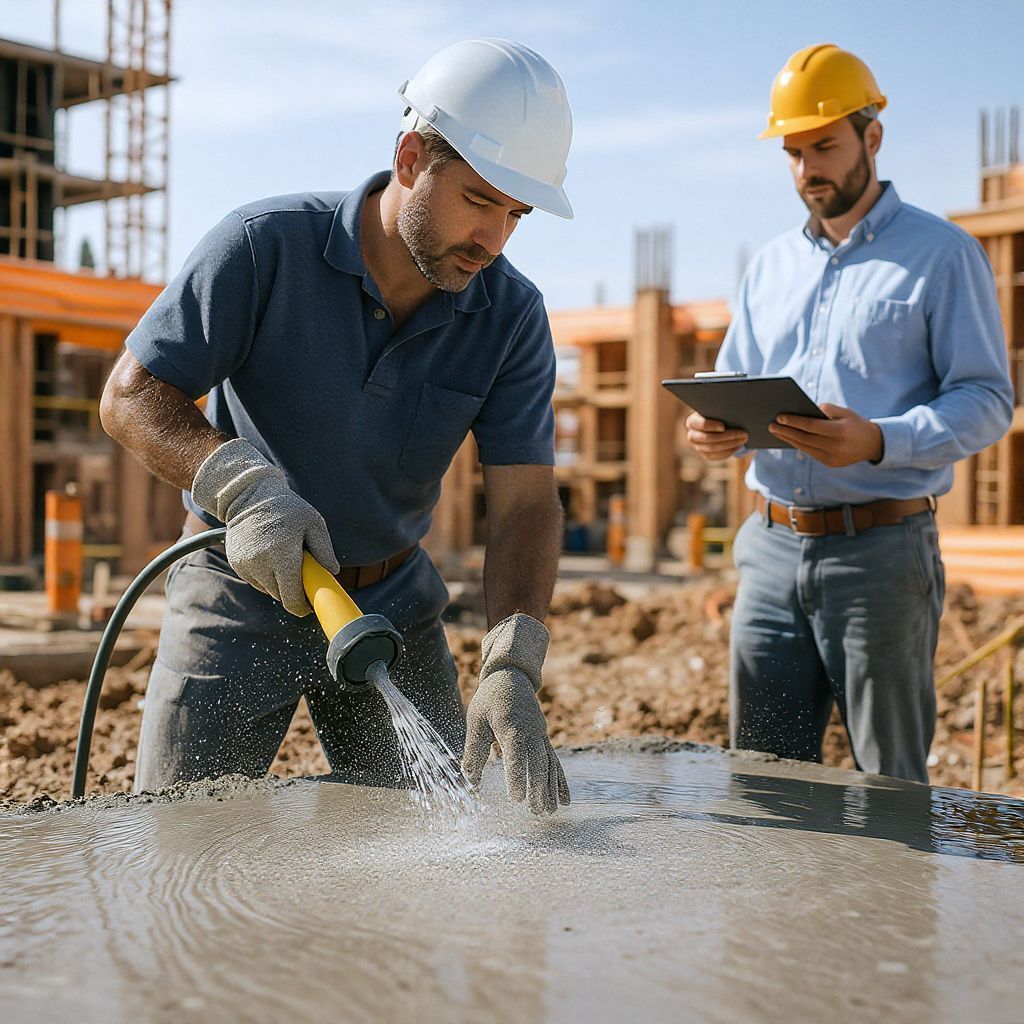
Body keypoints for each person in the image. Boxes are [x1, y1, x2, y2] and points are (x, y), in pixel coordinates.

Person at [100, 38, 573, 814]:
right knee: (184, 850)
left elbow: (525, 505)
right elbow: (129, 395)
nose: (494, 240)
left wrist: (513, 660)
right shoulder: (263, 248)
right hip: (238, 592)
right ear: (413, 157)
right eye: (481, 201)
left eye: (516, 213)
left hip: (394, 605)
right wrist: (244, 489)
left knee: (430, 862)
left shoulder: (511, 317)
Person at [685, 43, 1014, 783]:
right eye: (794, 153)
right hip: (768, 551)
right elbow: (735, 380)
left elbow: (989, 400)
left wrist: (878, 441)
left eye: (824, 147)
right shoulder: (769, 267)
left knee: (887, 783)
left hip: (882, 556)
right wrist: (712, 426)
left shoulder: (943, 255)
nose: (808, 170)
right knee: (764, 781)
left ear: (872, 137)